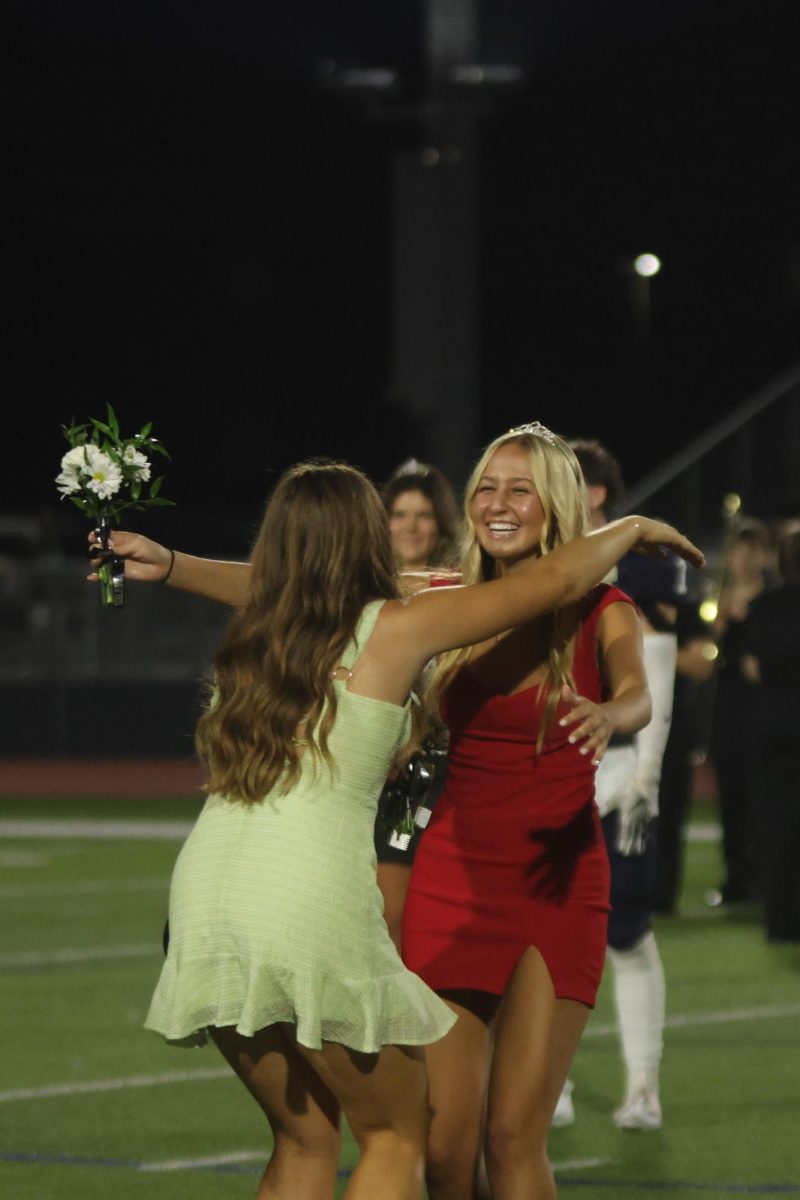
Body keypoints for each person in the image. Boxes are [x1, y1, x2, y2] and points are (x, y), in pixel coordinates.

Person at [88, 453, 703, 1200]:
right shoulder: (397, 625)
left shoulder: (269, 630)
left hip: (201, 898)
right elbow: (555, 582)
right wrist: (632, 522)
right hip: (304, 899)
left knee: (306, 1139)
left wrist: (176, 563)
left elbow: (268, 585)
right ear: (365, 543)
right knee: (396, 1136)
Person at [400, 423, 702, 1200]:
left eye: (519, 489)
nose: (497, 504)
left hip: (557, 881)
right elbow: (299, 583)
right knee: (443, 1144)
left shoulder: (603, 605)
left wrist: (611, 716)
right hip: (453, 880)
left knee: (511, 1140)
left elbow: (635, 692)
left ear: (556, 504)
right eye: (486, 487)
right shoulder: (444, 594)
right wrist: (168, 565)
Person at [559, 437, 682, 1131]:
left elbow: (656, 669)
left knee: (627, 930)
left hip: (616, 766)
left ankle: (642, 1083)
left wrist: (646, 775)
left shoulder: (637, 565)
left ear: (598, 492)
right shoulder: (536, 559)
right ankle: (550, 1081)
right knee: (541, 930)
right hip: (547, 767)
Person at [376, 458, 461, 950]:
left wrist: (414, 734)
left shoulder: (459, 590)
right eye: (399, 514)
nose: (410, 526)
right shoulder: (362, 588)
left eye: (423, 515)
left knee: (400, 915)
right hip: (365, 765)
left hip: (424, 772)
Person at [706, 518, 774, 906]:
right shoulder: (722, 599)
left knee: (760, 796)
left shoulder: (772, 601)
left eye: (753, 550)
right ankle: (735, 877)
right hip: (729, 707)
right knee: (730, 792)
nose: (744, 558)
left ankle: (763, 876)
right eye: (739, 549)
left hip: (760, 708)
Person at [742, 529, 800, 942]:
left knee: (776, 830)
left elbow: (752, 668)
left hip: (771, 728)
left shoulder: (761, 606)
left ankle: (779, 921)